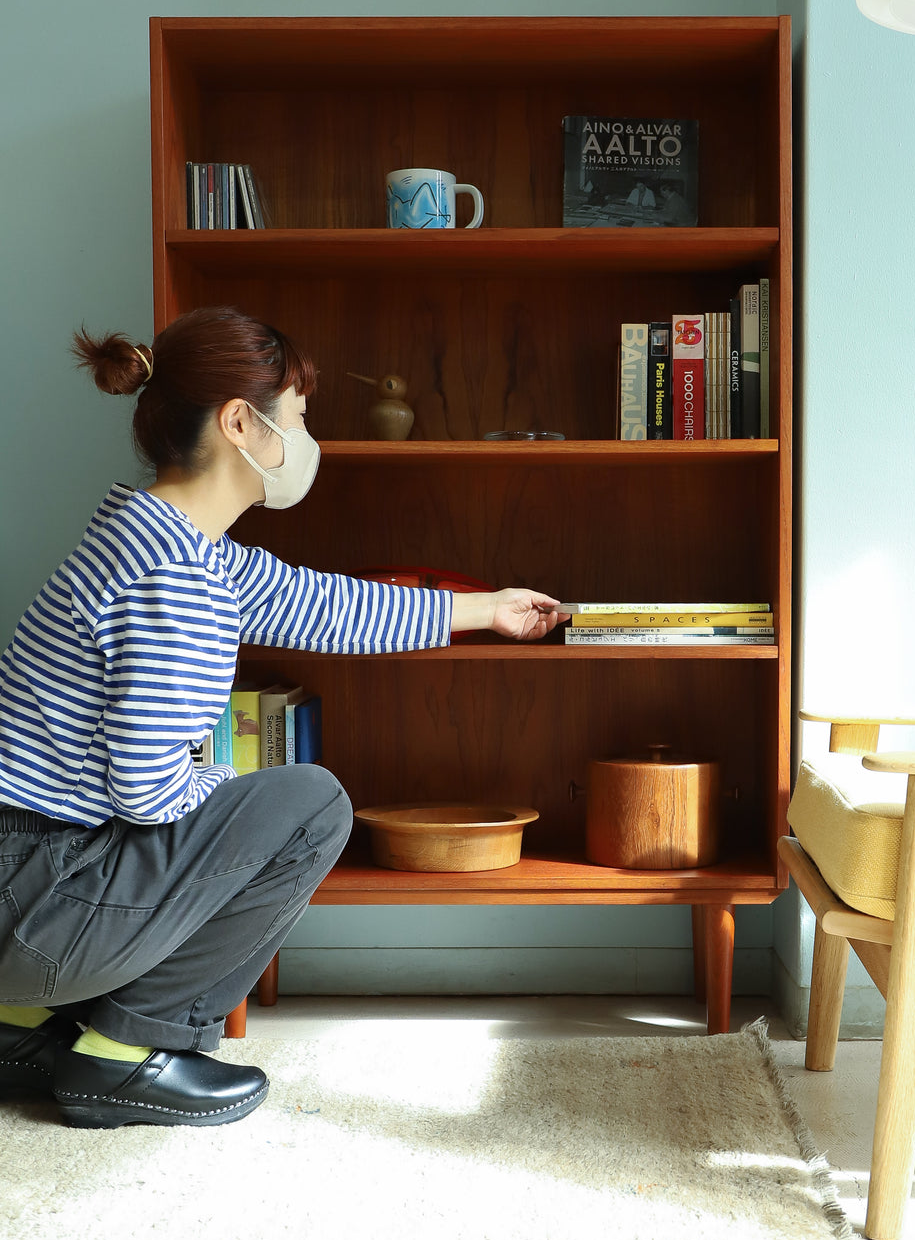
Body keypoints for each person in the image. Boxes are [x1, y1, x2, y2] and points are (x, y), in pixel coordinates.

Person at [0, 306, 567, 1129]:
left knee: (263, 804)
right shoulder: (177, 580)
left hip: (23, 889)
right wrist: (236, 795)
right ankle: (124, 1057)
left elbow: (324, 605)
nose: (304, 440)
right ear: (240, 422)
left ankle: (19, 1032)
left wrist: (486, 609)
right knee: (308, 805)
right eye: (297, 418)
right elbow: (148, 794)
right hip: (37, 906)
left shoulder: (161, 539)